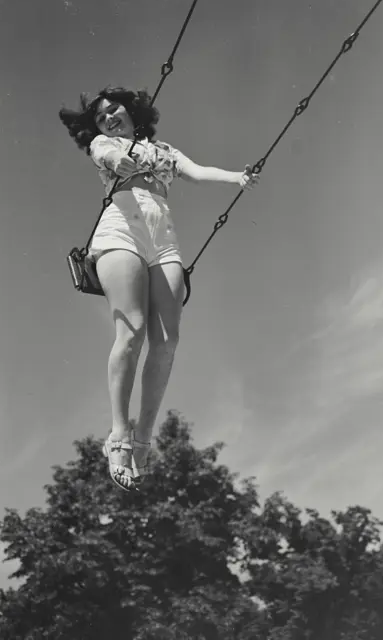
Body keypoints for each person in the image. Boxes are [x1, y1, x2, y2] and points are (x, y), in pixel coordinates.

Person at [59, 86, 259, 492]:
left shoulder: (165, 150)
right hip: (121, 228)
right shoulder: (104, 143)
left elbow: (198, 172)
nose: (108, 119)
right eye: (100, 117)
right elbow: (109, 157)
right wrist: (121, 157)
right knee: (130, 331)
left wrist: (239, 177)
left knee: (166, 341)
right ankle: (118, 436)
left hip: (162, 237)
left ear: (131, 110)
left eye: (113, 110)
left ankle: (143, 438)